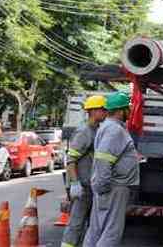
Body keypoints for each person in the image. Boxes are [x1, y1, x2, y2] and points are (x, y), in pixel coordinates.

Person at [83, 92, 140, 247]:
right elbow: (103, 159)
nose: (130, 111)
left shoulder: (108, 127)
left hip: (108, 185)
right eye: (128, 108)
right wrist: (103, 186)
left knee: (97, 230)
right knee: (111, 232)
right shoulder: (114, 130)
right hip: (114, 186)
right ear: (121, 111)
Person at [61, 95, 108, 247]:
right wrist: (75, 184)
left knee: (91, 225)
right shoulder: (84, 132)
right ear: (93, 111)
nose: (105, 112)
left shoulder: (97, 130)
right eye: (102, 109)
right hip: (82, 187)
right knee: (76, 224)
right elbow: (71, 160)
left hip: (91, 186)